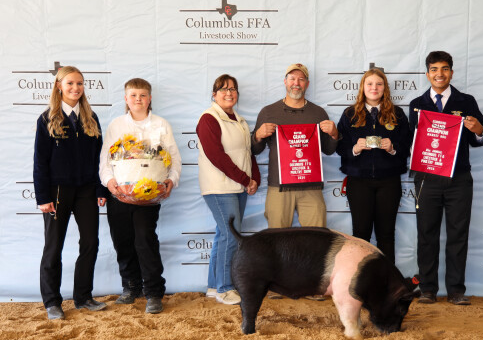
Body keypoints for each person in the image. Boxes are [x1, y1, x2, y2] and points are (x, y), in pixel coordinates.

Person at [252, 63, 339, 300]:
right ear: (285, 81)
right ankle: (278, 285)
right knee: (276, 237)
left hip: (311, 186)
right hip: (279, 186)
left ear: (307, 84)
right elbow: (255, 148)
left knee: (317, 238)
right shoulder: (268, 111)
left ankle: (314, 285)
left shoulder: (318, 113)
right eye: (292, 78)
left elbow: (330, 151)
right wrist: (258, 135)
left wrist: (333, 134)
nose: (296, 83)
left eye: (301, 80)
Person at [409, 51, 483, 305]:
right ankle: (428, 289)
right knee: (426, 234)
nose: (439, 74)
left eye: (444, 69)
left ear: (451, 73)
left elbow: (481, 138)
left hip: (458, 179)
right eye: (434, 69)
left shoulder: (466, 101)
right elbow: (410, 142)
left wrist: (478, 130)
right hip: (427, 179)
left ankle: (456, 290)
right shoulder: (416, 104)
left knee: (458, 234)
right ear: (427, 73)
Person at [99, 78, 181, 314]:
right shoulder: (116, 125)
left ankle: (153, 292)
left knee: (145, 241)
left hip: (148, 197)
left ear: (150, 98)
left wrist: (171, 180)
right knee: (122, 242)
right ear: (126, 99)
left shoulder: (161, 124)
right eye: (133, 95)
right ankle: (130, 287)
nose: (138, 99)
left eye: (142, 95)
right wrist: (110, 183)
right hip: (119, 196)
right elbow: (106, 160)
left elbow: (174, 158)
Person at [33, 66, 108, 320]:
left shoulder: (91, 118)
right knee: (53, 247)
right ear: (59, 86)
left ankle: (83, 297)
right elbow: (40, 161)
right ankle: (52, 302)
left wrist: (100, 189)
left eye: (80, 84)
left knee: (90, 242)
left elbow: (99, 158)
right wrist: (43, 197)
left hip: (87, 190)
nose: (75, 88)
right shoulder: (46, 120)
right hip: (56, 192)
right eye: (70, 84)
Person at [196, 74, 260, 305]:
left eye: (233, 89)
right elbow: (216, 156)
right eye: (223, 89)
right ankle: (225, 288)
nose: (229, 93)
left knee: (224, 234)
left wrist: (254, 179)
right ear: (214, 94)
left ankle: (214, 286)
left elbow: (248, 152)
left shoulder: (239, 121)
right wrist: (245, 179)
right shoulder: (209, 119)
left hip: (238, 185)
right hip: (219, 187)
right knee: (231, 235)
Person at [336, 68, 410, 263]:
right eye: (370, 84)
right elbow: (339, 147)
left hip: (389, 182)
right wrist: (355, 148)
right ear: (363, 87)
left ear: (385, 88)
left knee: (386, 235)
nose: (374, 88)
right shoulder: (350, 114)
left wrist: (393, 148)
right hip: (358, 182)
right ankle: (361, 284)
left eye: (379, 84)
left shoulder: (398, 114)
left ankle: (388, 286)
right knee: (361, 235)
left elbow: (408, 146)